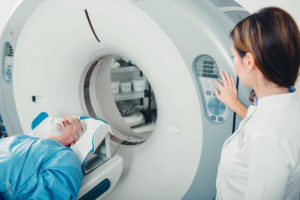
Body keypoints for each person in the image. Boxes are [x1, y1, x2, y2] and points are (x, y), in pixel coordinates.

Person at [214, 7, 300, 199]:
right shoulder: (290, 102)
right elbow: (262, 123)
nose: (234, 62)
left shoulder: (268, 138)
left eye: (234, 56)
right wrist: (235, 103)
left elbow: (266, 136)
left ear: (250, 62)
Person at [0, 116, 84, 199]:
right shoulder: (23, 138)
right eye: (63, 119)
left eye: (70, 123)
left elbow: (53, 193)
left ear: (74, 140)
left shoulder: (65, 157)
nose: (63, 121)